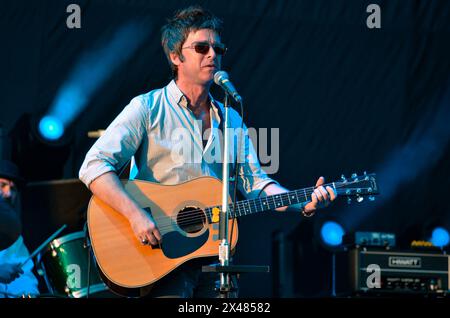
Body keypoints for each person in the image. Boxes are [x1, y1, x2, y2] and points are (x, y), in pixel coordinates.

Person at [79, 5, 336, 298]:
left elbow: (256, 185)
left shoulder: (231, 119)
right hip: (160, 256)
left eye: (218, 47)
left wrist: (303, 202)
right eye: (202, 47)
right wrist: (135, 214)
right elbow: (93, 166)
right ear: (176, 56)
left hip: (216, 257)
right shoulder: (147, 109)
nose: (213, 54)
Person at [0, 159, 39, 298]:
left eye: (13, 189)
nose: (9, 194)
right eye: (3, 185)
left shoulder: (13, 237)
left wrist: (29, 294)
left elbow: (25, 277)